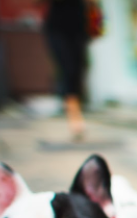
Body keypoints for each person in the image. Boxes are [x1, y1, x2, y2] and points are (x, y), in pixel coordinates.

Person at [42, 0, 91, 140]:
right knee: (68, 69)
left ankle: (75, 110)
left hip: (79, 24)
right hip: (58, 27)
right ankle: (74, 117)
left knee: (77, 70)